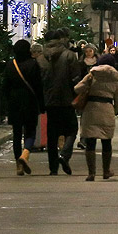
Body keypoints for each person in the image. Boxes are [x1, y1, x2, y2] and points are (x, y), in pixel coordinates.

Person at [73, 53, 118, 181]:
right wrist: (115, 109)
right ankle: (106, 171)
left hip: (90, 109)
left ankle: (91, 173)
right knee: (106, 141)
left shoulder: (92, 75)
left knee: (90, 142)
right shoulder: (116, 78)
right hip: (106, 109)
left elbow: (77, 88)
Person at [39, 28, 82, 176]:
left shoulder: (41, 58)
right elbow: (76, 78)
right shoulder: (69, 55)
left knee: (52, 134)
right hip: (66, 99)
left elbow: (39, 82)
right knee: (71, 129)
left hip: (49, 101)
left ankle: (53, 168)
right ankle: (64, 155)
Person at [3, 39, 45, 175]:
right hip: (30, 101)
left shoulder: (10, 65)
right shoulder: (33, 64)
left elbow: (5, 86)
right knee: (30, 131)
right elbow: (39, 86)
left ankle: (18, 165)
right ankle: (25, 153)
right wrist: (42, 104)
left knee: (16, 134)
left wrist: (7, 102)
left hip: (15, 102)